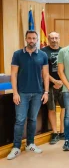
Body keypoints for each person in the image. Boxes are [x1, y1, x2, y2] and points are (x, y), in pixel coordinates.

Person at [7, 30, 49, 160]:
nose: (31, 40)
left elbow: (46, 75)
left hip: (37, 93)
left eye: (34, 38)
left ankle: (30, 143)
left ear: (37, 40)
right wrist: (15, 92)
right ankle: (16, 147)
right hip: (22, 93)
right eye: (29, 38)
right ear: (26, 39)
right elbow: (13, 74)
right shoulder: (18, 54)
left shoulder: (42, 55)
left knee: (33, 119)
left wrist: (46, 92)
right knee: (20, 120)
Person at [41, 32, 65, 144]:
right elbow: (42, 70)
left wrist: (62, 82)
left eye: (56, 38)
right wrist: (54, 81)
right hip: (49, 85)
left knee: (65, 108)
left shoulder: (64, 51)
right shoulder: (43, 52)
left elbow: (67, 68)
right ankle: (55, 133)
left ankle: (63, 132)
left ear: (59, 39)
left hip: (63, 84)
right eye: (52, 38)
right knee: (52, 109)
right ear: (48, 39)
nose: (54, 40)